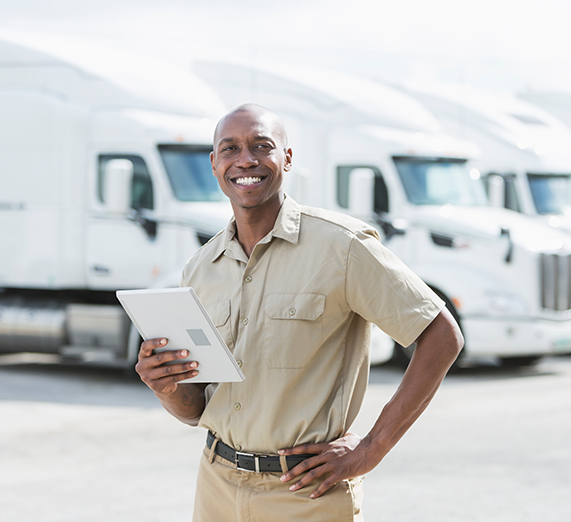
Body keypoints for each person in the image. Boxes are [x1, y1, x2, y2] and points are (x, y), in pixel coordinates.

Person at [135, 103, 464, 521]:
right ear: (215, 164)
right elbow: (196, 408)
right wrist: (163, 386)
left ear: (287, 158)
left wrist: (371, 448)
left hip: (306, 495)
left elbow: (442, 336)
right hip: (216, 487)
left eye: (261, 146)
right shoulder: (200, 269)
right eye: (230, 149)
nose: (246, 160)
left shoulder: (342, 246)